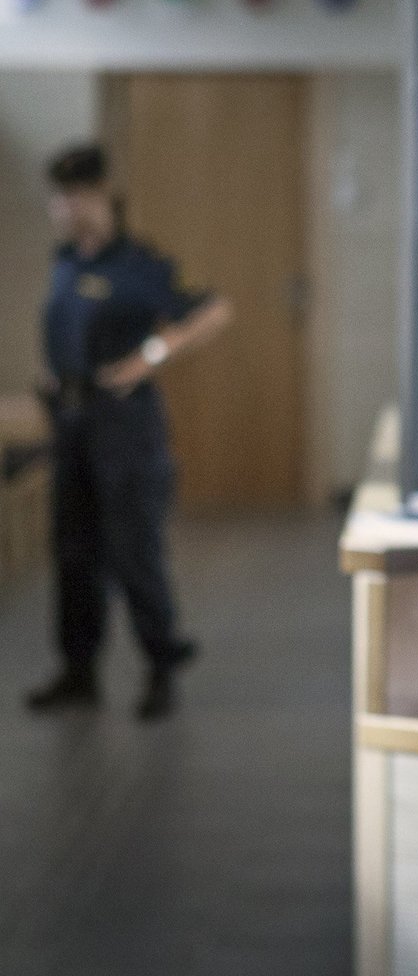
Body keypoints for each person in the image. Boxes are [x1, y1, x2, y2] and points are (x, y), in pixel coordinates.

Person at [25, 144, 233, 722]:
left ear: (100, 197)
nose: (63, 209)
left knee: (133, 551)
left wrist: (153, 354)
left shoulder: (139, 264)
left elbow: (214, 309)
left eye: (73, 197)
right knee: (73, 552)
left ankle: (161, 667)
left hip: (124, 426)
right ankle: (78, 672)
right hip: (71, 425)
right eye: (58, 199)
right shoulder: (65, 263)